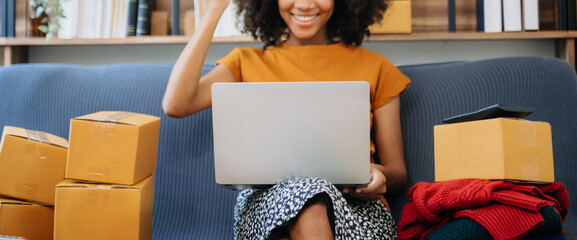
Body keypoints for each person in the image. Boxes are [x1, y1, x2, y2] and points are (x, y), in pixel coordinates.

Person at [162, 0, 411, 239]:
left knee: (308, 203)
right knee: (307, 200)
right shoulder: (244, 63)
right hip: (267, 205)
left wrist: (378, 175)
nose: (303, 4)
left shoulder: (377, 68)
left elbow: (397, 169)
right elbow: (176, 103)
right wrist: (216, 7)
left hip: (356, 209)